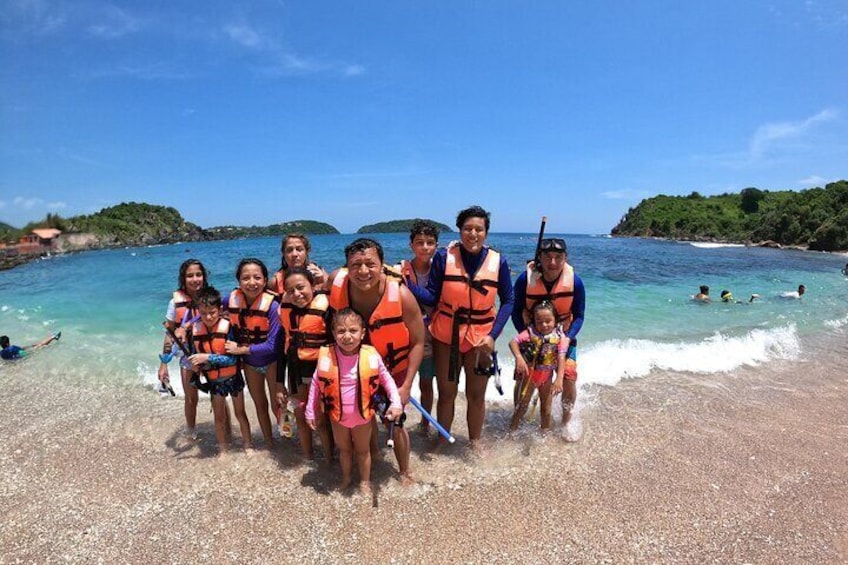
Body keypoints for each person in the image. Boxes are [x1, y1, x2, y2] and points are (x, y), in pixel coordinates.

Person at [407, 205, 514, 448]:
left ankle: (475, 442)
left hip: (482, 339)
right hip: (447, 336)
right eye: (467, 229)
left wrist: (493, 336)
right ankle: (442, 440)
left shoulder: (499, 261)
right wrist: (404, 283)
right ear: (460, 230)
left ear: (486, 232)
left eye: (479, 229)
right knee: (447, 393)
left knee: (476, 395)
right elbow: (431, 296)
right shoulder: (444, 258)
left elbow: (509, 301)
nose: (473, 234)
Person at [328, 238, 425, 484]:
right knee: (364, 416)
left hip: (395, 371)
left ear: (382, 265)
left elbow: (418, 342)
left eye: (370, 264)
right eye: (355, 265)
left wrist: (405, 387)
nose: (363, 271)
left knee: (397, 422)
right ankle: (370, 461)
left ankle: (404, 472)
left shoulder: (401, 295)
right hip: (358, 370)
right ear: (346, 267)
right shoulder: (336, 284)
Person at [305, 308, 403, 494]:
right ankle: (346, 478)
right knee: (344, 450)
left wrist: (396, 402)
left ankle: (364, 482)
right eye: (341, 331)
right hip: (337, 416)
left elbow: (387, 380)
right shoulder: (327, 355)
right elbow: (316, 384)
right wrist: (310, 410)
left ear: (363, 333)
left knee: (363, 450)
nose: (347, 336)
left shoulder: (371, 354)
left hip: (362, 415)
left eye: (353, 330)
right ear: (333, 333)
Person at [511, 236, 584, 431]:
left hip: (563, 339)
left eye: (558, 257)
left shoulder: (575, 282)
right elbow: (515, 310)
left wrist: (568, 337)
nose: (553, 263)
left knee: (568, 377)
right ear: (539, 258)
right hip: (532, 339)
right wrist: (527, 335)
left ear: (565, 258)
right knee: (524, 376)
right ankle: (518, 416)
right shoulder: (523, 280)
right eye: (547, 257)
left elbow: (579, 316)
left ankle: (566, 421)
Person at [276, 267, 333, 461]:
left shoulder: (327, 309)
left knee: (321, 418)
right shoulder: (286, 311)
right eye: (290, 291)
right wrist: (278, 381)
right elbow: (282, 349)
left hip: (321, 372)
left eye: (301, 287)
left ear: (313, 285)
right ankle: (308, 457)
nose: (297, 294)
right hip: (295, 372)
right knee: (300, 415)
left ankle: (328, 459)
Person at [186, 287, 252, 455]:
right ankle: (223, 450)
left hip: (233, 377)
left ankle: (247, 446)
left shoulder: (228, 328)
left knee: (240, 413)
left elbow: (233, 359)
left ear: (220, 310)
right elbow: (195, 357)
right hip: (215, 382)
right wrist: (196, 366)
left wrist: (208, 358)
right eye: (204, 313)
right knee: (219, 418)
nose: (208, 317)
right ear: (198, 311)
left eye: (212, 312)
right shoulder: (194, 331)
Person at [224, 258, 282, 447]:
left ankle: (288, 438)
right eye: (245, 278)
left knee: (278, 405)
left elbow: (273, 345)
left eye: (257, 277)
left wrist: (240, 349)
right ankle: (270, 442)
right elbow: (206, 310)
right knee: (260, 405)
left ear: (265, 281)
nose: (252, 282)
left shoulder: (273, 307)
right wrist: (186, 326)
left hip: (272, 361)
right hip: (251, 364)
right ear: (239, 282)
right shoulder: (231, 299)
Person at [157, 258, 210, 439]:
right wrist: (163, 364)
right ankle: (191, 431)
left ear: (204, 276)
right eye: (190, 276)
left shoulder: (211, 299)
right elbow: (169, 333)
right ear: (183, 278)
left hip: (209, 353)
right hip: (187, 356)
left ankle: (224, 430)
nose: (195, 279)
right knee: (190, 397)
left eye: (198, 275)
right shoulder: (175, 303)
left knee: (218, 395)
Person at [397, 220, 439, 435]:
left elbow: (433, 298)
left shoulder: (440, 268)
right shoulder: (401, 269)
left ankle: (425, 423)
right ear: (411, 245)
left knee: (426, 381)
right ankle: (396, 421)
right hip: (406, 334)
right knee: (401, 379)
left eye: (430, 243)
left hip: (432, 333)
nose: (425, 247)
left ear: (436, 246)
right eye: (420, 242)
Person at [508, 301, 570, 432]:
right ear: (533, 321)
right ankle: (512, 431)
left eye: (548, 321)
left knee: (546, 409)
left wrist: (559, 379)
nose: (544, 325)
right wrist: (519, 358)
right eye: (539, 321)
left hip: (546, 378)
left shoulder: (560, 337)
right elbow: (513, 342)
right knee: (521, 407)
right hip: (530, 377)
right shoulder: (530, 333)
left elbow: (561, 358)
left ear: (555, 320)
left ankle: (544, 434)